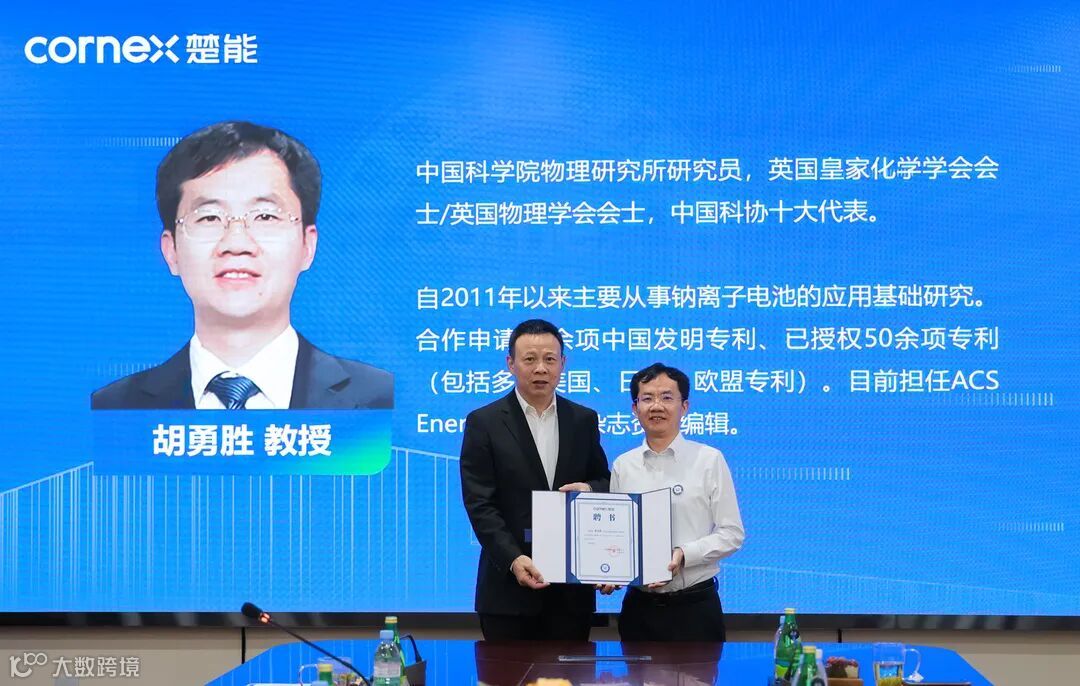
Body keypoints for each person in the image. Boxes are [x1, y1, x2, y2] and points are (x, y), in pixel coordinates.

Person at [91, 121, 392, 410]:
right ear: (171, 252)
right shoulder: (114, 409)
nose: (236, 243)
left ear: (307, 246)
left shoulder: (380, 401)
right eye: (209, 218)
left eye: (265, 217)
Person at [459, 319, 610, 640]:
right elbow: (479, 502)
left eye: (549, 359)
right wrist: (513, 559)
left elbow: (603, 480)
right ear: (510, 363)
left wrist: (588, 488)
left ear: (563, 363)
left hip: (571, 593)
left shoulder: (583, 419)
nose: (540, 368)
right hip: (507, 592)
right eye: (530, 359)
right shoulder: (484, 422)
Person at [604, 362, 744, 642]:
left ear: (684, 407)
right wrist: (610, 569)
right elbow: (617, 535)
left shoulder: (709, 460)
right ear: (635, 408)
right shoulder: (623, 465)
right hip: (639, 609)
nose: (657, 406)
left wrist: (684, 554)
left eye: (667, 397)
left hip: (695, 608)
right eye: (647, 398)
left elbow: (732, 534)